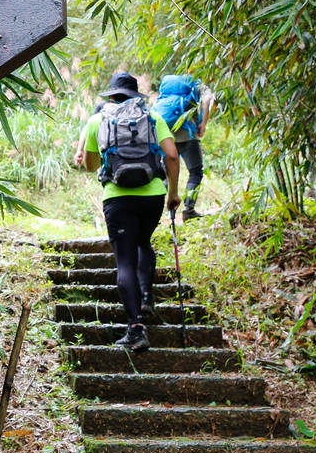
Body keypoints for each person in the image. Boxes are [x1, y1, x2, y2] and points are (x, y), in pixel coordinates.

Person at [74, 72, 180, 351]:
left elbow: (89, 165)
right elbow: (171, 155)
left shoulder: (98, 121)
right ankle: (146, 298)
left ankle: (135, 328)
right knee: (143, 241)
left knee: (124, 260)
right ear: (136, 96)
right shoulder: (153, 118)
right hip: (153, 195)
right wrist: (173, 193)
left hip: (118, 198)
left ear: (111, 95)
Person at [151, 75, 214, 220]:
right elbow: (207, 99)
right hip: (187, 133)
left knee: (165, 174)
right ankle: (189, 210)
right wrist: (203, 123)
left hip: (166, 134)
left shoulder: (168, 84)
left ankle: (157, 214)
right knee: (196, 171)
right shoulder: (196, 83)